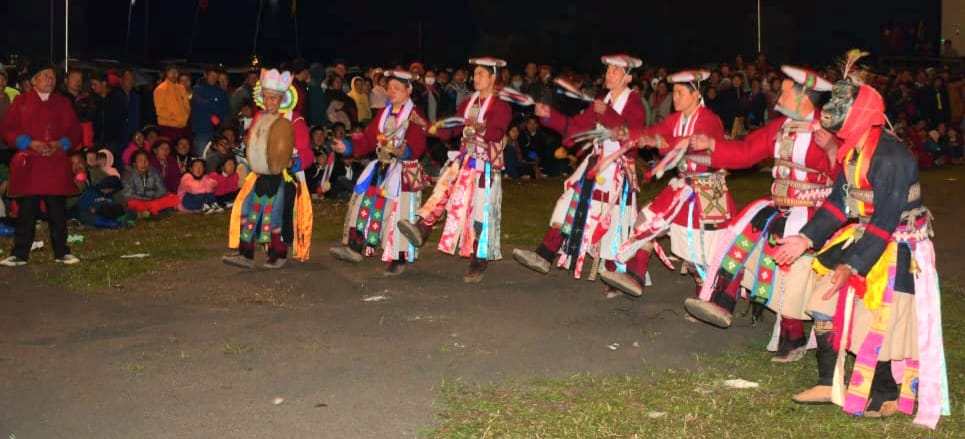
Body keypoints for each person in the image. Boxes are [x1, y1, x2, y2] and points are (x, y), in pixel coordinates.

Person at [774, 52, 949, 427]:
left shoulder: (890, 156)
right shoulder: (854, 151)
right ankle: (826, 381)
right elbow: (839, 205)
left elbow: (885, 222)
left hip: (900, 244)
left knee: (878, 316)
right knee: (821, 296)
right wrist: (804, 240)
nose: (831, 110)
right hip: (869, 234)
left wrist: (851, 265)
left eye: (842, 104)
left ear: (861, 111)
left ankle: (885, 390)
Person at [682, 66, 838, 364]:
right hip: (778, 202)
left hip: (813, 210)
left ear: (804, 97)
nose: (779, 95)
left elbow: (844, 172)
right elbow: (747, 151)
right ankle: (722, 301)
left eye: (786, 91)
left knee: (789, 263)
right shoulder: (780, 126)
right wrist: (712, 144)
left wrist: (831, 147)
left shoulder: (829, 129)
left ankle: (793, 336)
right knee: (740, 232)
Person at [513, 55, 650, 298]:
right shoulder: (602, 100)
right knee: (568, 202)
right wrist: (549, 115)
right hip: (595, 166)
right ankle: (545, 254)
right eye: (607, 69)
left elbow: (631, 135)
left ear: (628, 78)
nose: (608, 74)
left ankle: (615, 275)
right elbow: (576, 127)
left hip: (617, 171)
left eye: (615, 71)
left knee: (613, 221)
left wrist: (606, 113)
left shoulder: (634, 103)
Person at [598, 70, 731, 297]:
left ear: (696, 94)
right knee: (645, 223)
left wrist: (661, 141)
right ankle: (634, 277)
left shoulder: (709, 120)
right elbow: (652, 132)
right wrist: (631, 135)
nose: (675, 98)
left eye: (680, 93)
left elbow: (693, 145)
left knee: (698, 253)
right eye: (674, 93)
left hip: (707, 192)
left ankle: (709, 299)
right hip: (682, 187)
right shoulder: (676, 120)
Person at [396, 57, 513, 283]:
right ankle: (422, 229)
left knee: (480, 211)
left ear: (492, 78)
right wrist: (425, 125)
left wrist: (483, 128)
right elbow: (450, 130)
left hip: (484, 166)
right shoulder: (468, 104)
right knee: (442, 189)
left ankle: (479, 259)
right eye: (475, 73)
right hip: (464, 161)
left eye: (481, 74)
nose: (476, 78)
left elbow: (497, 133)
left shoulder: (500, 106)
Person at [330, 70, 429, 276]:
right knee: (364, 204)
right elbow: (367, 139)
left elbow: (418, 145)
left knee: (396, 214)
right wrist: (347, 147)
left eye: (397, 88)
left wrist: (405, 151)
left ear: (408, 91)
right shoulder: (383, 114)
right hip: (381, 169)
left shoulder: (415, 116)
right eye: (389, 87)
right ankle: (355, 248)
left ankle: (397, 257)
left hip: (402, 173)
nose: (391, 92)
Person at [223, 68, 313, 269]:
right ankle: (245, 254)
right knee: (248, 209)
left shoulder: (294, 120)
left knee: (275, 213)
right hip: (261, 174)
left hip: (283, 176)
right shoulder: (259, 117)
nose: (270, 102)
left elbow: (307, 154)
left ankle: (278, 253)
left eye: (274, 98)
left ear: (283, 97)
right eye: (267, 97)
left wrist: (292, 162)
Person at [0, 63, 83, 267]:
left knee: (57, 211)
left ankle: (62, 251)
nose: (50, 79)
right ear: (34, 80)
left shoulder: (62, 103)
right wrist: (29, 143)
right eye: (45, 75)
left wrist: (59, 144)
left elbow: (75, 132)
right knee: (27, 211)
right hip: (31, 164)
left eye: (53, 76)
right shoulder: (21, 101)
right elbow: (8, 130)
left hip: (54, 164)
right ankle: (20, 253)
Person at [123, 150, 180, 218]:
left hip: (153, 200)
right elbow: (128, 194)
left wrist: (151, 197)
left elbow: (162, 190)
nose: (144, 163)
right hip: (139, 201)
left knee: (174, 198)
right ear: (134, 164)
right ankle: (154, 211)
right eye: (140, 161)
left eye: (146, 160)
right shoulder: (128, 175)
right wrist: (146, 198)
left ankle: (148, 211)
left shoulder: (154, 172)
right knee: (131, 203)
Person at [191, 66, 230, 156]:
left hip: (216, 131)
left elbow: (224, 108)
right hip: (201, 131)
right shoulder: (197, 89)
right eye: (211, 75)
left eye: (216, 76)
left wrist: (209, 106)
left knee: (216, 157)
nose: (214, 78)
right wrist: (213, 105)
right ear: (206, 75)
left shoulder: (220, 91)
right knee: (201, 157)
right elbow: (198, 103)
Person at [154, 65, 192, 141]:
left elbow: (187, 106)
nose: (174, 75)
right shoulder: (160, 89)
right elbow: (160, 111)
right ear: (167, 73)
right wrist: (176, 118)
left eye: (175, 72)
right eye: (171, 72)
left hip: (182, 127)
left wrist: (184, 118)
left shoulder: (181, 88)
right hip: (167, 127)